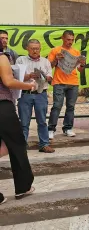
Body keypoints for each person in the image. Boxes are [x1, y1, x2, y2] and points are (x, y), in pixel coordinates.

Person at [0, 43, 36, 204]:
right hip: (2, 106)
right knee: (17, 144)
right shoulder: (2, 57)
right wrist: (28, 85)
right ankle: (23, 186)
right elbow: (8, 81)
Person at [16, 39, 55, 153]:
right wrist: (30, 76)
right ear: (27, 48)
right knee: (24, 122)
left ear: (40, 49)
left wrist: (44, 77)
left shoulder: (45, 61)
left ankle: (44, 144)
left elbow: (50, 78)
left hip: (41, 94)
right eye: (32, 48)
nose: (35, 51)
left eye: (37, 48)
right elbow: (16, 78)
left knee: (42, 121)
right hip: (25, 94)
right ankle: (22, 146)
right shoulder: (20, 60)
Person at [48, 30, 85, 139]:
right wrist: (56, 59)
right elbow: (48, 66)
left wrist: (82, 65)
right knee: (57, 106)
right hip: (59, 82)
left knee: (71, 107)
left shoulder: (76, 52)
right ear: (63, 38)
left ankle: (68, 128)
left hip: (73, 82)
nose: (70, 42)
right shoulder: (55, 50)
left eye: (72, 40)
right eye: (68, 39)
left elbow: (80, 70)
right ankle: (51, 129)